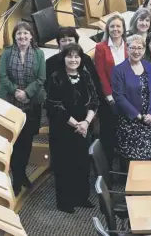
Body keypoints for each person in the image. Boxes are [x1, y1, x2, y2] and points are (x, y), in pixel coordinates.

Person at [46, 43, 98, 213]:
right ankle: (65, 201)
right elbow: (54, 105)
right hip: (63, 129)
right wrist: (76, 124)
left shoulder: (85, 74)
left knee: (82, 164)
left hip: (83, 128)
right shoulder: (56, 76)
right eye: (70, 56)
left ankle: (81, 197)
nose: (73, 59)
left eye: (77, 56)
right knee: (64, 166)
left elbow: (94, 100)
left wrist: (86, 123)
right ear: (64, 58)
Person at [0, 22, 45, 196]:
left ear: (31, 36)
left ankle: (21, 174)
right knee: (14, 142)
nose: (22, 37)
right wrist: (15, 91)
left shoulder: (39, 54)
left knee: (26, 143)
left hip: (32, 104)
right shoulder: (7, 53)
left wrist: (26, 93)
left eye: (26, 34)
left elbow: (41, 79)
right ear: (15, 37)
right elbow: (2, 76)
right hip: (10, 103)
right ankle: (16, 179)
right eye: (19, 34)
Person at [112, 35, 151, 170]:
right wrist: (138, 116)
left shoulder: (150, 67)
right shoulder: (118, 70)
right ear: (127, 49)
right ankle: (129, 188)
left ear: (144, 50)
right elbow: (119, 97)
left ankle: (143, 187)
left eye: (139, 48)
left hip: (148, 121)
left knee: (145, 159)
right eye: (132, 47)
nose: (136, 51)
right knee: (130, 160)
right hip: (128, 122)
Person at [94, 15, 128, 165]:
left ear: (123, 29)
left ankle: (123, 171)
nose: (115, 29)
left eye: (118, 26)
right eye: (112, 26)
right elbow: (101, 74)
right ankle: (107, 170)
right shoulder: (101, 48)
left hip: (127, 98)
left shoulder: (129, 45)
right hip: (109, 99)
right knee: (109, 135)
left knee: (125, 134)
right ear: (107, 28)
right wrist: (110, 97)